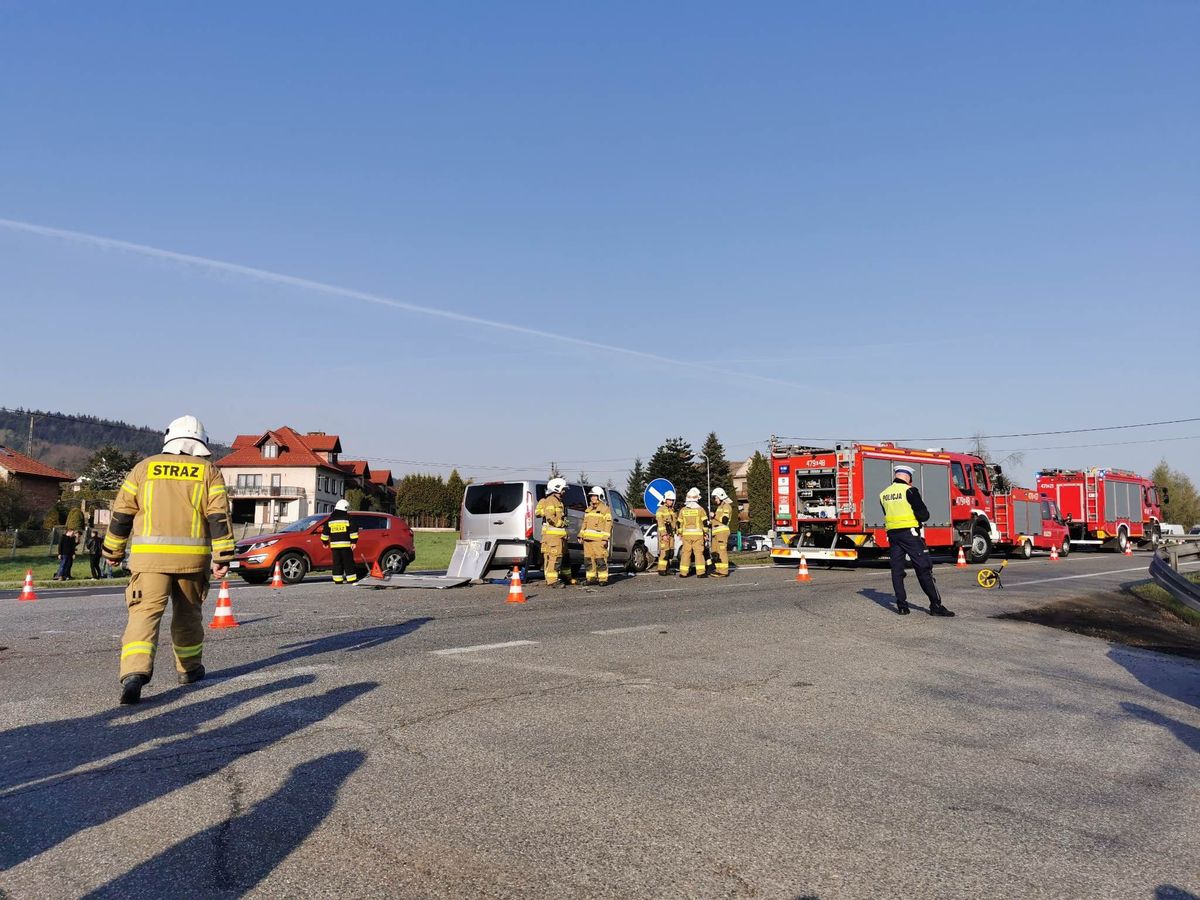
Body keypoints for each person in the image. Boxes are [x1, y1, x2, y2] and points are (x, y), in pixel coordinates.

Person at [103, 415, 236, 705]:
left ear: (169, 439)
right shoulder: (208, 471)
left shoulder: (143, 468)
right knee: (188, 616)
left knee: (143, 616)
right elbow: (218, 516)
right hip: (191, 562)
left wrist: (112, 551)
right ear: (200, 443)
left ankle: (134, 675)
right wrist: (223, 555)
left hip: (148, 563)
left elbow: (122, 513)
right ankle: (188, 670)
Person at [879, 465, 954, 617]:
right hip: (910, 534)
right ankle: (936, 605)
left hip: (893, 536)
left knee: (897, 571)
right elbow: (924, 515)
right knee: (924, 568)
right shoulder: (910, 491)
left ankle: (902, 606)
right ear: (908, 478)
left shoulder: (884, 494)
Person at [534, 478, 569, 587]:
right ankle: (552, 580)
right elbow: (550, 517)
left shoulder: (557, 501)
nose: (564, 492)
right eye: (563, 489)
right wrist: (561, 523)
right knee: (555, 557)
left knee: (551, 557)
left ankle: (550, 578)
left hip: (556, 536)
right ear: (557, 488)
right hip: (553, 536)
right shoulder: (551, 500)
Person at [321, 499, 360, 585]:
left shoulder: (330, 519)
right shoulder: (348, 518)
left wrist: (325, 542)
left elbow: (325, 532)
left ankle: (338, 580)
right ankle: (351, 579)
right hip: (346, 545)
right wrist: (354, 542)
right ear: (345, 508)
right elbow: (353, 530)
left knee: (337, 563)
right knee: (348, 562)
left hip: (334, 546)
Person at [580, 486, 612, 586]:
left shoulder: (605, 509)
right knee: (588, 560)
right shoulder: (588, 510)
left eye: (594, 496)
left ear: (600, 496)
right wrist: (580, 535)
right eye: (591, 496)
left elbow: (608, 524)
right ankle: (591, 578)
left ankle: (603, 579)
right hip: (587, 540)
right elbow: (584, 523)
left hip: (599, 540)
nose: (592, 498)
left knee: (600, 559)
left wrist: (605, 539)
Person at [677, 488, 709, 578]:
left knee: (686, 553)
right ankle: (700, 573)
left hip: (686, 536)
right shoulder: (700, 510)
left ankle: (683, 573)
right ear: (696, 499)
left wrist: (680, 533)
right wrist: (705, 533)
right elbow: (705, 522)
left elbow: (679, 523)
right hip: (698, 535)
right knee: (698, 553)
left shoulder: (683, 510)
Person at [709, 488, 735, 577]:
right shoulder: (719, 507)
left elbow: (724, 520)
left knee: (721, 551)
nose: (715, 500)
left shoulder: (726, 506)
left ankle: (723, 571)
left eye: (716, 498)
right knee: (715, 552)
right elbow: (717, 521)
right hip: (716, 532)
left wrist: (714, 515)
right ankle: (718, 570)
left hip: (722, 532)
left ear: (720, 496)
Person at [655, 490, 678, 576]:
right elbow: (660, 523)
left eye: (672, 500)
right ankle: (661, 569)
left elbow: (674, 522)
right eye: (669, 500)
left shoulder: (672, 510)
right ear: (665, 500)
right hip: (665, 533)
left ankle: (667, 568)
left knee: (670, 552)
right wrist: (664, 534)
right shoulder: (661, 510)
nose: (671, 502)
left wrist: (678, 531)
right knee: (665, 551)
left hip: (671, 533)